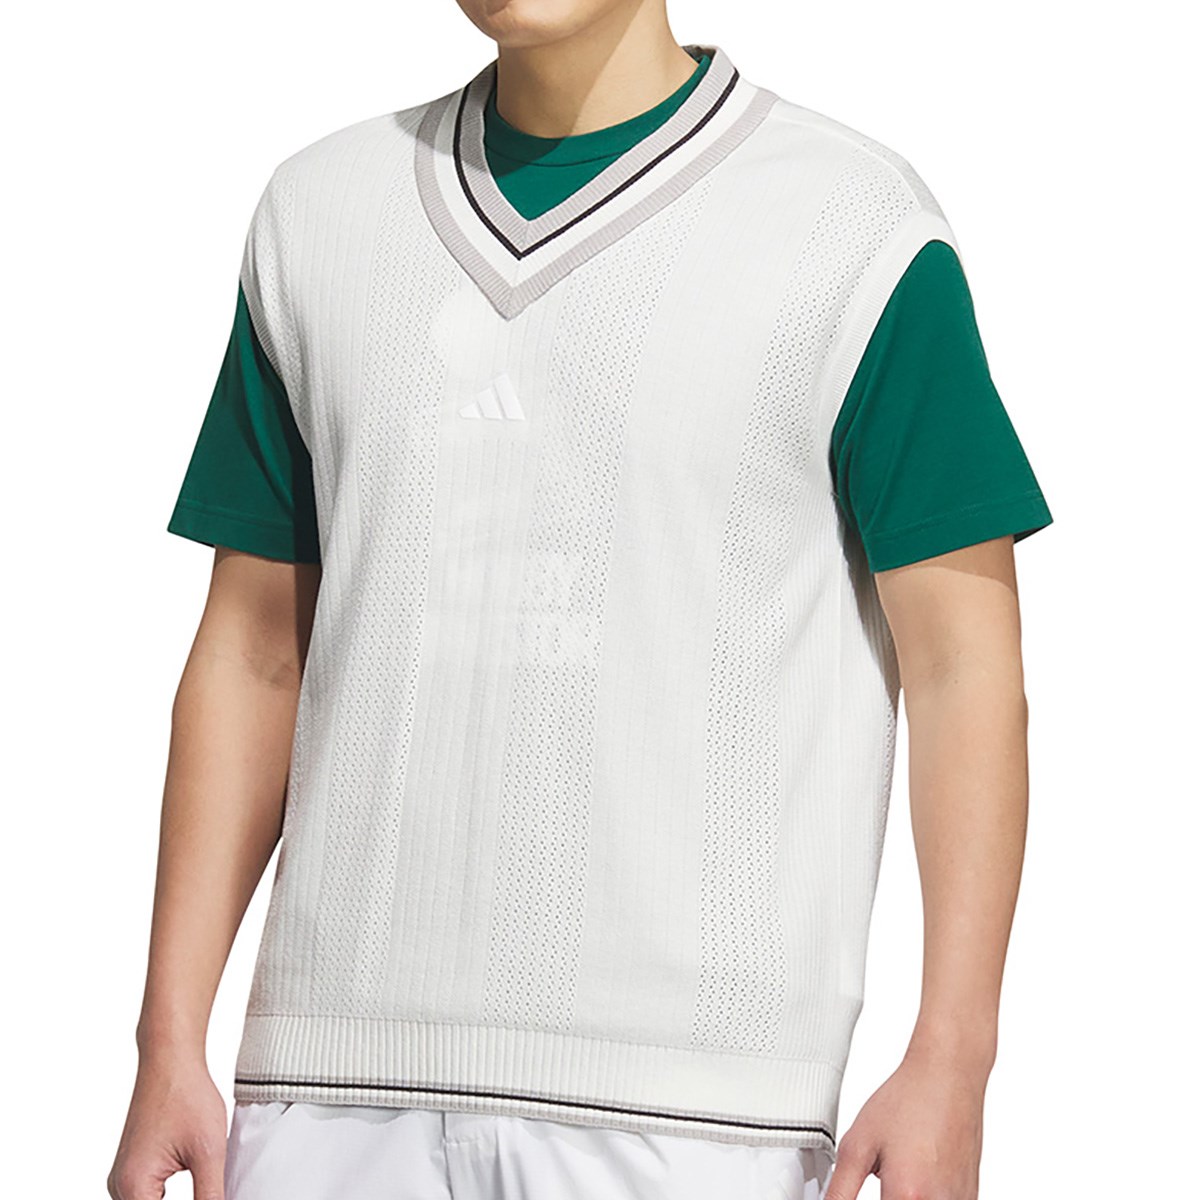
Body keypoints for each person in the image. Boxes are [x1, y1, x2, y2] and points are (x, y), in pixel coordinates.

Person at [108, 2, 1054, 1198]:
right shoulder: (318, 213)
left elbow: (966, 667)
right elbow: (253, 649)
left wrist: (954, 1058)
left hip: (701, 1110)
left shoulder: (854, 226)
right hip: (326, 1089)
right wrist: (168, 1040)